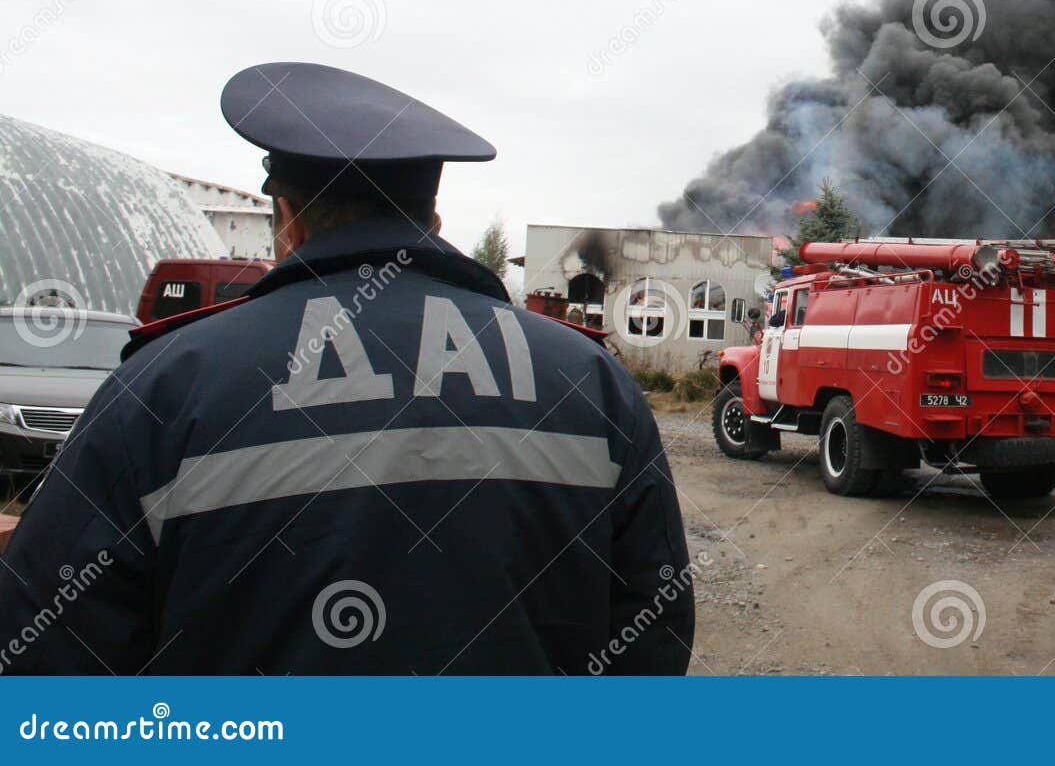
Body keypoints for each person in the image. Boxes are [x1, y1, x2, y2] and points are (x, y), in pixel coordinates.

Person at [0, 62, 693, 674]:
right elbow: (653, 633)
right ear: (435, 220)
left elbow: (47, 655)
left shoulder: (164, 386)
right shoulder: (589, 379)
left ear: (288, 218)